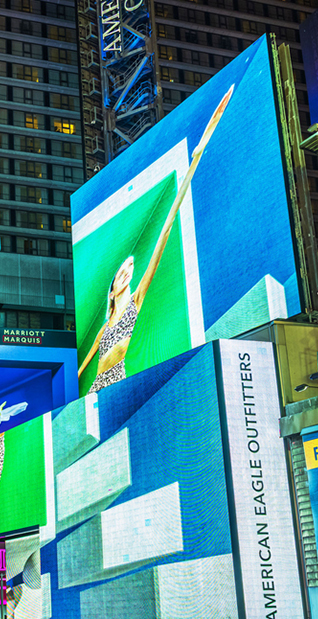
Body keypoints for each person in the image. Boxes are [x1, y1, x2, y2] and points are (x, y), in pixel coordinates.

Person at [77, 82, 235, 394]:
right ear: (110, 288)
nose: (127, 271)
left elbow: (163, 235)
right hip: (97, 386)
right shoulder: (103, 327)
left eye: (129, 269)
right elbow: (78, 372)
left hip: (118, 382)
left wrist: (195, 160)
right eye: (122, 270)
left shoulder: (136, 301)